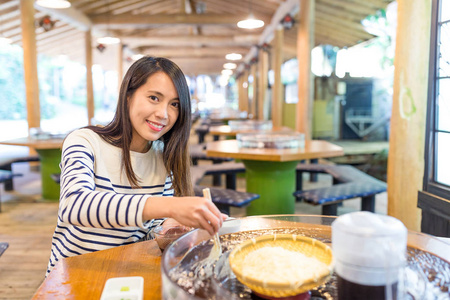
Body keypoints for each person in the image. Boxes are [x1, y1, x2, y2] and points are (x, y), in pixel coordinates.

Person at [46, 56, 227, 276]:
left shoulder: (163, 156)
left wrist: (170, 227)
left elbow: (149, 229)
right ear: (128, 96)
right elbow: (74, 206)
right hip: (75, 275)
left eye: (174, 104)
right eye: (154, 97)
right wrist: (170, 207)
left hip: (126, 272)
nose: (163, 113)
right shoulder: (84, 140)